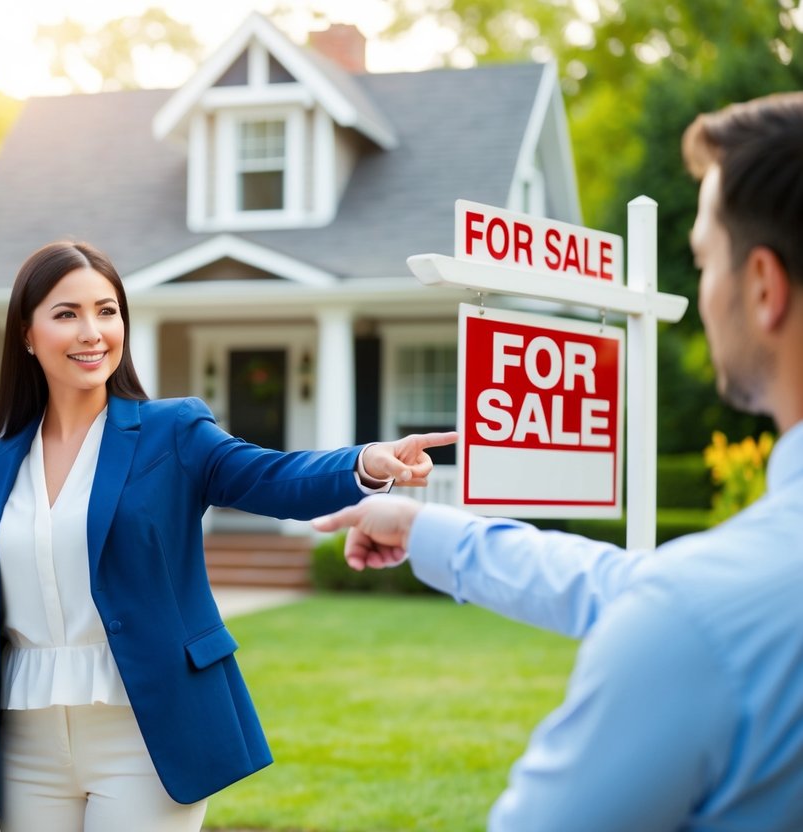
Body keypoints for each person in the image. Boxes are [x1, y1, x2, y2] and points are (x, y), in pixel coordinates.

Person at [312, 91, 803, 831]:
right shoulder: (715, 601)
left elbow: (676, 610)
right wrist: (426, 527)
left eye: (703, 260)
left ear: (763, 286)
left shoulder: (692, 621)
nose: (701, 292)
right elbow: (636, 586)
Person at [0, 240, 456, 830]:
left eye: (107, 310)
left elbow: (273, 478)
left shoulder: (170, 432)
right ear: (26, 332)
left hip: (146, 735)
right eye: (67, 313)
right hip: (26, 740)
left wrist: (369, 462)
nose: (92, 331)